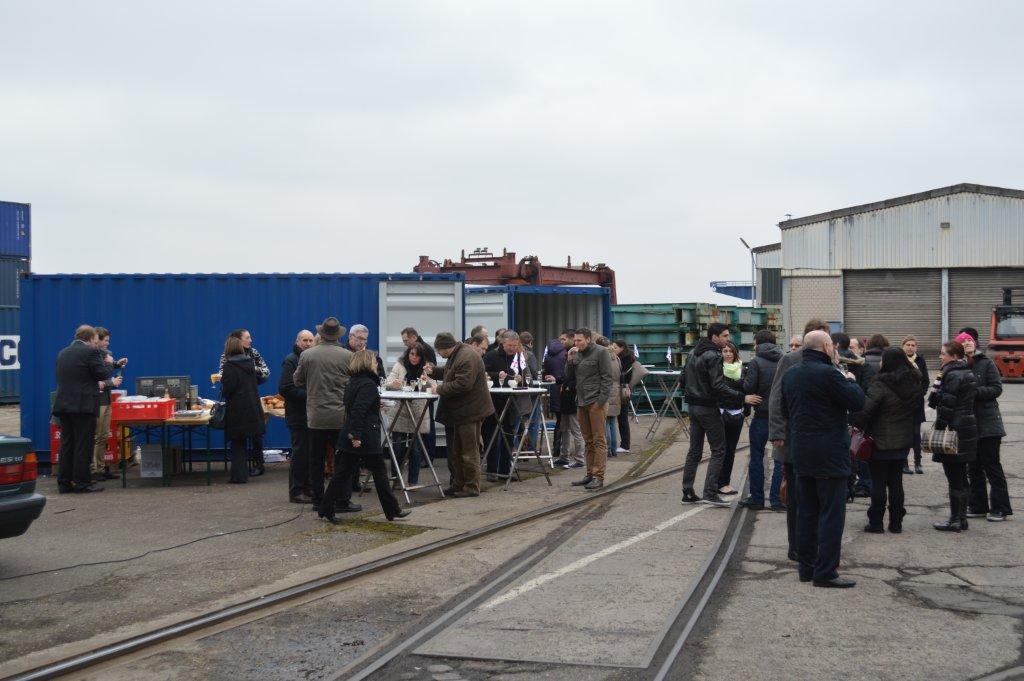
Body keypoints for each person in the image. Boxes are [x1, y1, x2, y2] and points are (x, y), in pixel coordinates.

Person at [781, 330, 865, 588]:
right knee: (831, 514)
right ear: (827, 347)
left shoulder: (791, 375)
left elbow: (785, 410)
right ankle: (826, 572)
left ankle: (806, 568)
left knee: (806, 512)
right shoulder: (831, 374)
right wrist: (849, 378)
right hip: (829, 454)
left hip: (801, 453)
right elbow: (857, 401)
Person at [319, 350, 409, 523]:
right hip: (364, 437)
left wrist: (374, 404)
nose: (377, 365)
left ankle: (325, 508)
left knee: (341, 475)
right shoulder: (368, 384)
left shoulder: (353, 381)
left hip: (352, 434)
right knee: (379, 473)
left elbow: (352, 405)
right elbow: (358, 411)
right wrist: (356, 436)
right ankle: (392, 510)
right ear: (368, 363)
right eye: (375, 362)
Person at [769, 318, 832, 560]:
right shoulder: (790, 360)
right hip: (792, 441)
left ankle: (814, 544)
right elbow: (776, 397)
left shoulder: (832, 362)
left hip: (820, 442)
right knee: (796, 497)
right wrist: (777, 432)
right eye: (825, 339)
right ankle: (796, 546)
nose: (829, 345)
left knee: (819, 497)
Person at [681, 324, 756, 506]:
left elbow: (683, 379)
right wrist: (741, 396)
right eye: (724, 336)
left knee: (694, 450)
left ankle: (688, 491)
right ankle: (710, 492)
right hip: (708, 408)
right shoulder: (713, 355)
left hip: (693, 406)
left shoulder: (693, 353)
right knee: (719, 449)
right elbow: (718, 385)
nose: (727, 339)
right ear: (714, 337)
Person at [852, 348, 921, 533]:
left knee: (879, 482)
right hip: (903, 440)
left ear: (887, 362)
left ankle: (876, 523)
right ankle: (896, 523)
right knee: (896, 482)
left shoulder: (880, 384)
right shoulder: (914, 382)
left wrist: (854, 419)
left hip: (880, 441)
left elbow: (865, 411)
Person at [294, 317, 359, 511]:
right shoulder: (348, 355)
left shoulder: (307, 356)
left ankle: (318, 500)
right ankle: (342, 499)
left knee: (316, 460)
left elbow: (297, 381)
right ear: (338, 335)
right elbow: (354, 383)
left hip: (316, 416)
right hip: (340, 416)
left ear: (321, 334)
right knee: (343, 460)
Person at [428, 332, 494, 496]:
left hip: (470, 411)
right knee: (457, 451)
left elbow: (463, 384)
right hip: (462, 411)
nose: (438, 354)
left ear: (445, 348)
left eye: (439, 350)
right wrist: (433, 371)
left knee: (469, 451)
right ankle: (459, 484)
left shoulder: (466, 356)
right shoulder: (458, 354)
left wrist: (439, 389)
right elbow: (450, 372)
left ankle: (472, 487)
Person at [958, 329, 1013, 522]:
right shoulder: (958, 366)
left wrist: (974, 391)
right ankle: (978, 505)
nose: (968, 344)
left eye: (970, 341)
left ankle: (1000, 508)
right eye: (964, 343)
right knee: (973, 468)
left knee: (992, 467)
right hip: (968, 425)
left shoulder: (986, 363)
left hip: (989, 423)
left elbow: (996, 388)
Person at [53, 325, 114, 494]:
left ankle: (64, 483)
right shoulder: (90, 352)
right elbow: (102, 374)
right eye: (95, 340)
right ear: (89, 339)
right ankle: (82, 482)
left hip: (64, 405)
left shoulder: (63, 353)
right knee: (83, 445)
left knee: (67, 445)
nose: (96, 343)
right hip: (84, 406)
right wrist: (109, 364)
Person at [928, 340, 978, 532]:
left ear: (954, 356)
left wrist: (939, 429)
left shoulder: (952, 375)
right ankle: (961, 518)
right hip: (966, 426)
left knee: (955, 477)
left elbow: (948, 405)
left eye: (943, 353)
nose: (940, 356)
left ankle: (956, 519)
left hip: (955, 428)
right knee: (961, 476)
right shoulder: (966, 371)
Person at [565, 328, 615, 491]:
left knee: (598, 439)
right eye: (575, 340)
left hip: (595, 402)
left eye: (579, 340)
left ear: (588, 339)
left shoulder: (601, 352)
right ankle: (589, 474)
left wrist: (601, 401)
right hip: (581, 401)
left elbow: (608, 378)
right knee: (588, 440)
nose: (576, 343)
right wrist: (569, 360)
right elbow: (569, 377)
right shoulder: (577, 354)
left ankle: (598, 476)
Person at [740, 330, 783, 511]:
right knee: (780, 459)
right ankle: (776, 499)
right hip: (780, 418)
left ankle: (757, 498)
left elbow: (749, 387)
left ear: (757, 343)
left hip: (761, 416)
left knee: (757, 456)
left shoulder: (756, 362)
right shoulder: (784, 359)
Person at [483, 331, 533, 479]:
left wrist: (521, 378)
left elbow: (527, 376)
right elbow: (483, 373)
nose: (512, 348)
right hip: (494, 401)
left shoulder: (519, 357)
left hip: (511, 402)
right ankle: (491, 471)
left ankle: (505, 471)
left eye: (515, 345)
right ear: (502, 343)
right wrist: (497, 375)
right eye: (509, 345)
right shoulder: (491, 356)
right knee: (491, 436)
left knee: (509, 436)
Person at [219, 328, 269, 475]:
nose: (250, 340)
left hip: (250, 394)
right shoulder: (225, 356)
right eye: (247, 338)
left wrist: (250, 369)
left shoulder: (254, 353)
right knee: (242, 434)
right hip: (243, 397)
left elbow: (266, 372)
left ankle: (259, 465)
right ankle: (241, 467)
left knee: (256, 435)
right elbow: (222, 374)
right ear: (238, 341)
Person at [385, 343, 436, 485]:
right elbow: (388, 382)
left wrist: (426, 382)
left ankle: (413, 481)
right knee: (398, 447)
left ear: (422, 356)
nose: (414, 357)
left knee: (416, 448)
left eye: (417, 355)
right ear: (408, 354)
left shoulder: (427, 367)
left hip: (418, 410)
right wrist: (393, 384)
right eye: (412, 354)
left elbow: (433, 386)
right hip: (400, 410)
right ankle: (396, 479)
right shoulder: (399, 365)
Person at [279, 329, 315, 503]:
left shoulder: (311, 359)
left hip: (311, 415)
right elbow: (285, 388)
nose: (308, 344)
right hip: (297, 415)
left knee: (309, 453)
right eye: (304, 341)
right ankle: (296, 491)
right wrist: (310, 394)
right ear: (297, 341)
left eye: (310, 341)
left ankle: (308, 488)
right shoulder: (291, 360)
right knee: (300, 453)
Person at [91, 327, 127, 482]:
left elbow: (105, 371)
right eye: (105, 340)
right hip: (97, 401)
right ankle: (95, 469)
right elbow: (99, 377)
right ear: (96, 339)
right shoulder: (93, 355)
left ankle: (101, 466)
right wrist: (111, 373)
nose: (107, 343)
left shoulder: (105, 356)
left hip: (106, 399)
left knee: (103, 436)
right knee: (97, 437)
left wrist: (116, 364)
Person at [714, 341, 746, 496]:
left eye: (730, 351)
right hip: (721, 413)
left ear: (735, 353)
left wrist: (744, 411)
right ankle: (717, 483)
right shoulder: (717, 369)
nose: (727, 354)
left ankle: (725, 482)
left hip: (737, 414)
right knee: (721, 450)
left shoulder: (743, 369)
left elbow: (747, 389)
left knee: (731, 450)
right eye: (724, 351)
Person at [901, 335, 930, 475]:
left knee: (916, 434)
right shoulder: (900, 360)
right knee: (904, 434)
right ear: (903, 346)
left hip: (917, 403)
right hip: (903, 404)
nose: (910, 347)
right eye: (908, 345)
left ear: (916, 347)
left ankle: (918, 463)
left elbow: (925, 380)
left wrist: (921, 393)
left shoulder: (920, 360)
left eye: (913, 345)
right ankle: (904, 464)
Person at [543, 331, 570, 465]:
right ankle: (565, 451)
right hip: (565, 390)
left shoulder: (548, 354)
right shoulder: (567, 354)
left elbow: (544, 371)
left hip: (554, 390)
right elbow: (568, 374)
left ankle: (556, 450)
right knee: (568, 422)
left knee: (559, 421)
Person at [597, 337, 622, 457]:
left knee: (605, 422)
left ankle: (607, 450)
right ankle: (614, 449)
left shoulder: (603, 358)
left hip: (606, 390)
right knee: (612, 422)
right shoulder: (616, 358)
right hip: (616, 391)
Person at [611, 340, 634, 454]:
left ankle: (625, 445)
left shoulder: (624, 359)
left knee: (622, 418)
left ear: (622, 348)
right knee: (621, 418)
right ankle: (624, 444)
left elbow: (620, 375)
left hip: (622, 391)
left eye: (615, 347)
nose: (613, 349)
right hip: (623, 390)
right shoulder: (626, 357)